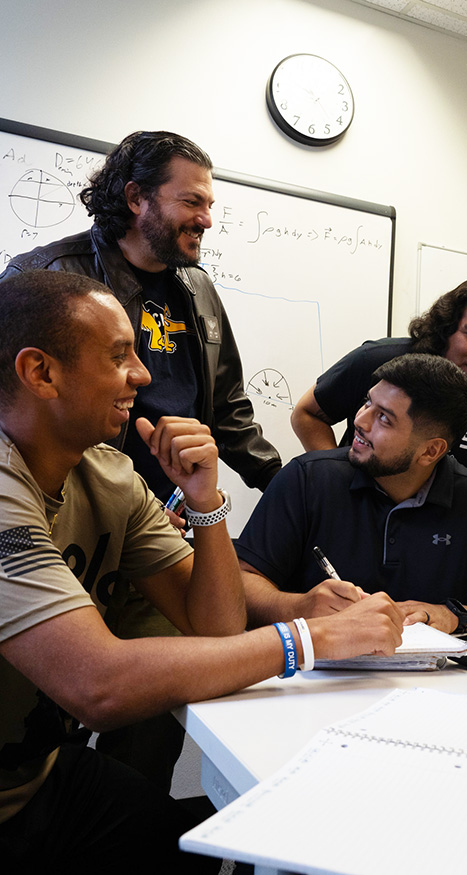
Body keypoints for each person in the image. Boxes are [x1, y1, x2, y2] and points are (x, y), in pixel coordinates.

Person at [0, 271, 403, 873]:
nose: (143, 375)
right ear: (41, 373)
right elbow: (97, 686)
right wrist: (310, 638)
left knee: (202, 846)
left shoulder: (109, 475)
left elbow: (215, 630)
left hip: (38, 777)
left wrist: (205, 501)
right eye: (119, 356)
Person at [0, 130, 281, 789]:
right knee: (65, 687)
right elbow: (12, 392)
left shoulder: (198, 289)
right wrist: (305, 640)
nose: (207, 218)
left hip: (151, 524)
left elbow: (231, 407)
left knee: (145, 740)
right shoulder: (50, 278)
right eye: (193, 201)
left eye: (210, 204)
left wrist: (294, 485)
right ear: (136, 198)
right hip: (65, 512)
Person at [240, 353, 467, 633]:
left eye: (384, 418)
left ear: (431, 451)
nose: (360, 421)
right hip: (311, 674)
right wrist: (300, 606)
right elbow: (241, 583)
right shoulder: (306, 479)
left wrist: (454, 615)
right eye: (367, 403)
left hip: (432, 682)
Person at [290, 278, 467, 532]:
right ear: (446, 329)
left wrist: (457, 522)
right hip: (351, 524)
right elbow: (307, 414)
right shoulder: (378, 362)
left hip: (438, 546)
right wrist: (341, 483)